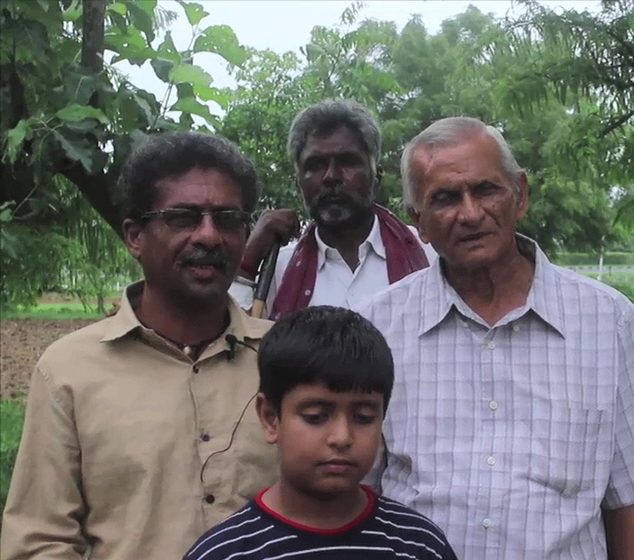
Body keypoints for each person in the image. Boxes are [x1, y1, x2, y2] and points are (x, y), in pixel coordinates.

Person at [358, 117, 634, 559]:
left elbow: (629, 507)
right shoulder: (378, 326)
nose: (471, 213)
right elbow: (354, 492)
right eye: (444, 198)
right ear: (417, 221)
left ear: (521, 195)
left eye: (486, 190)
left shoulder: (607, 321)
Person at [1, 132, 279, 559]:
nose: (209, 236)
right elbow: (41, 541)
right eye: (184, 217)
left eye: (227, 218)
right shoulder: (71, 370)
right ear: (134, 236)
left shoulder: (283, 359)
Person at [184, 306, 457, 560]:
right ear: (270, 418)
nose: (342, 437)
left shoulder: (419, 546)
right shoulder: (226, 553)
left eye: (363, 418)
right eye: (316, 417)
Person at [230, 99, 433, 318]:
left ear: (377, 176)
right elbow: (234, 339)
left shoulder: (429, 253)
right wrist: (247, 260)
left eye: (347, 162)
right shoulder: (278, 269)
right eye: (316, 165)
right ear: (298, 183)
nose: (331, 177)